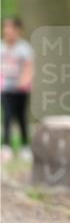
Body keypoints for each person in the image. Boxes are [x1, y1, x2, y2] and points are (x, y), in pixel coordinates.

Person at [1, 17, 34, 161]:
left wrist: (24, 81)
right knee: (7, 116)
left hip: (21, 89)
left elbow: (29, 67)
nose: (7, 30)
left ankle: (25, 146)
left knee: (21, 117)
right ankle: (6, 146)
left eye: (10, 28)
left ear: (18, 31)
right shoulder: (1, 47)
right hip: (5, 88)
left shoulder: (24, 48)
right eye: (5, 27)